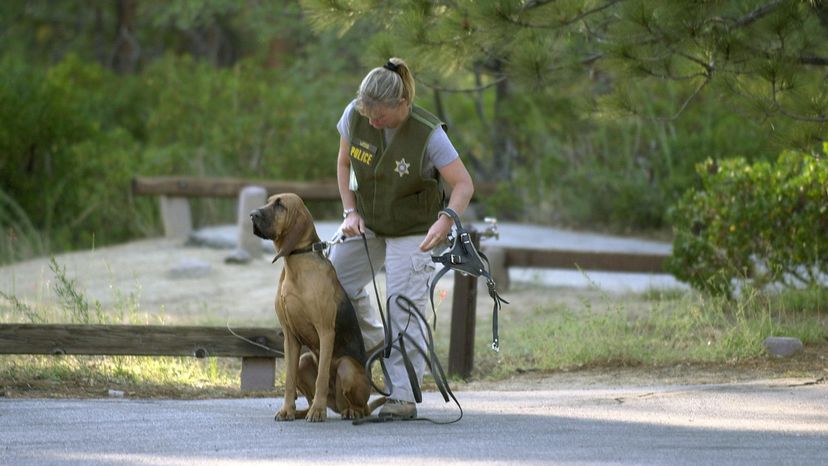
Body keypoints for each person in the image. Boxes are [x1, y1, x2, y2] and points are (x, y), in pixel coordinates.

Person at [330, 57, 474, 420]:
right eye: (368, 114)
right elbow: (345, 163)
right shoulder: (355, 114)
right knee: (333, 282)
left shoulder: (429, 133)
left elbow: (463, 184)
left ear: (402, 105)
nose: (373, 122)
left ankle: (403, 396)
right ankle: (379, 342)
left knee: (403, 305)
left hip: (415, 230)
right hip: (369, 222)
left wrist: (446, 220)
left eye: (380, 116)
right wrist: (350, 212)